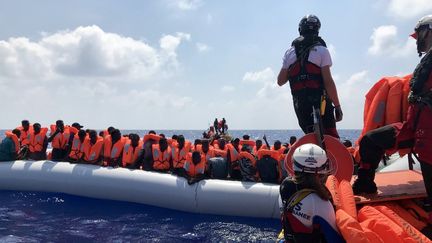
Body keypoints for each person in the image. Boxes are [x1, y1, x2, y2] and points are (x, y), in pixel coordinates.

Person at [352, 15, 432, 199]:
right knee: (369, 141)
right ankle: (365, 184)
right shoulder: (427, 60)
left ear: (428, 30)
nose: (416, 39)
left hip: (428, 135)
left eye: (419, 33)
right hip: (414, 128)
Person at [277, 15, 342, 138]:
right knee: (332, 138)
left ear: (300, 29)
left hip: (301, 104)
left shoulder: (289, 52)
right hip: (321, 103)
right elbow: (328, 82)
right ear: (317, 30)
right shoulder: (322, 50)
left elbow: (280, 81)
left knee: (311, 137)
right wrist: (337, 107)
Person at [279, 143, 343, 242]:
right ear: (323, 168)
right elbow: (334, 238)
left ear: (294, 164)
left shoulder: (284, 186)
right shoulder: (320, 202)